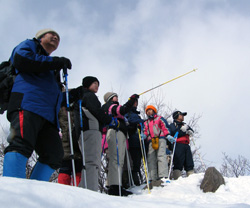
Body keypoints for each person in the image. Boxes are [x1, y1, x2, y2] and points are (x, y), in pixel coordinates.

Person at [3, 28, 80, 181]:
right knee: (21, 144)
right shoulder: (30, 45)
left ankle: (33, 191)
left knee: (54, 154)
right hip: (26, 103)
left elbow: (54, 95)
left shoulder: (50, 68)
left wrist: (71, 95)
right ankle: (13, 191)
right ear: (40, 38)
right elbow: (21, 59)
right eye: (52, 34)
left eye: (58, 37)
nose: (56, 38)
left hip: (48, 116)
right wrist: (54, 61)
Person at [74, 76, 118, 192]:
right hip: (91, 130)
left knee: (89, 161)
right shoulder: (89, 96)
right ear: (87, 85)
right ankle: (90, 190)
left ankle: (84, 188)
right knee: (92, 162)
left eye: (98, 84)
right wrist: (109, 120)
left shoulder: (82, 97)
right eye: (94, 83)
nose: (97, 86)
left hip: (86, 131)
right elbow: (96, 111)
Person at [102, 92, 139, 196]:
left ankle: (115, 184)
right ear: (110, 98)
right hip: (115, 132)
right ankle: (114, 186)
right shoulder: (110, 106)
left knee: (119, 160)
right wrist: (131, 100)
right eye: (115, 96)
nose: (117, 97)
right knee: (117, 159)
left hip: (119, 132)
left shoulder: (113, 107)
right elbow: (122, 110)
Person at [143, 105, 175, 186]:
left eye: (150, 110)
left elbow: (164, 127)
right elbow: (145, 130)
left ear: (154, 111)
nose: (149, 112)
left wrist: (167, 135)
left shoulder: (159, 118)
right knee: (151, 158)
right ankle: (152, 177)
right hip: (151, 140)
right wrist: (144, 135)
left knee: (161, 156)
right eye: (147, 111)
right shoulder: (146, 122)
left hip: (160, 138)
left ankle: (163, 175)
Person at [57, 105, 82, 186]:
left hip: (70, 140)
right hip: (69, 140)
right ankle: (65, 188)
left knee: (75, 166)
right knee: (67, 166)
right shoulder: (66, 108)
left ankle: (76, 188)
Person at [168, 110, 194, 180]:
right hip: (177, 144)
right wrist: (183, 131)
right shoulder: (172, 125)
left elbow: (191, 131)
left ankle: (191, 178)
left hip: (186, 145)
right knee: (178, 162)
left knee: (189, 162)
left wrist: (189, 131)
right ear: (176, 116)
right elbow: (174, 132)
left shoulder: (184, 125)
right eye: (181, 115)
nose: (182, 116)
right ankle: (177, 179)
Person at [124, 99, 144, 186]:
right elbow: (128, 122)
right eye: (134, 102)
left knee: (137, 162)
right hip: (131, 140)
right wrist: (137, 123)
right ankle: (131, 181)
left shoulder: (137, 115)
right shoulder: (127, 113)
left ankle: (136, 180)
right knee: (132, 161)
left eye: (136, 102)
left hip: (139, 140)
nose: (135, 103)